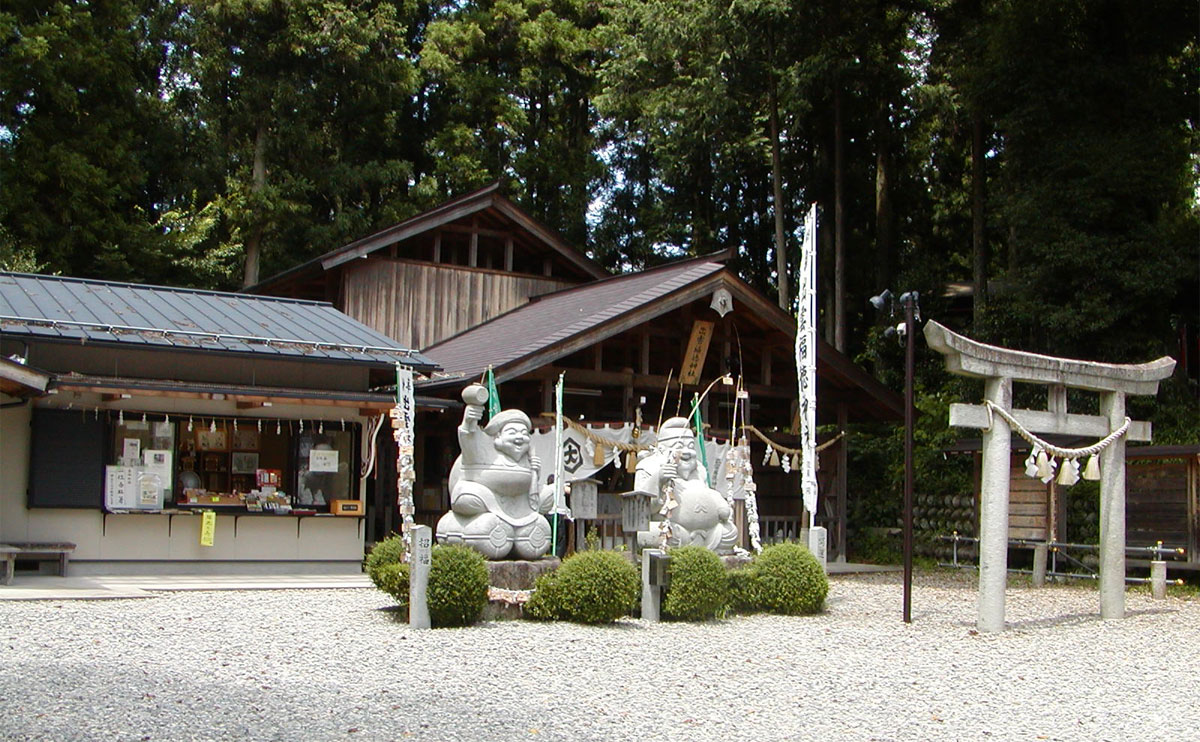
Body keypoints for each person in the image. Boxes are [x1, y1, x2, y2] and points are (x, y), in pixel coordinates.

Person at [436, 386, 554, 559]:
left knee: (548, 495)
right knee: (467, 497)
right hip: (487, 499)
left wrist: (535, 472)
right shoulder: (484, 448)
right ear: (497, 437)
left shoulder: (527, 457)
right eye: (512, 433)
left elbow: (534, 491)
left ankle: (520, 533)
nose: (519, 438)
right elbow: (468, 436)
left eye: (524, 433)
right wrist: (470, 419)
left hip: (520, 502)